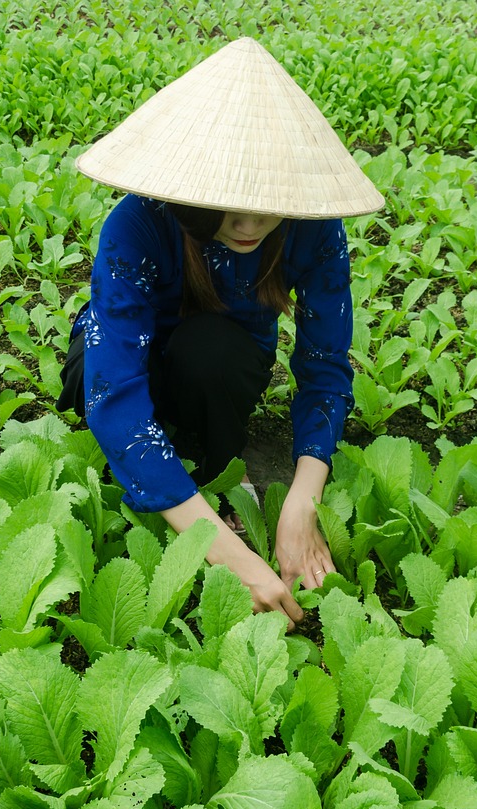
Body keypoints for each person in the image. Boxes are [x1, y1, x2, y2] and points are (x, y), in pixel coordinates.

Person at [56, 38, 383, 627]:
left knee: (215, 354)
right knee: (93, 379)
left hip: (219, 364)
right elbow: (114, 391)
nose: (249, 225)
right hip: (125, 360)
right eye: (227, 206)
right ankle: (183, 495)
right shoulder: (138, 224)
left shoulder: (312, 230)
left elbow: (325, 365)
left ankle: (210, 468)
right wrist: (226, 552)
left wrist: (303, 502)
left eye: (266, 205)